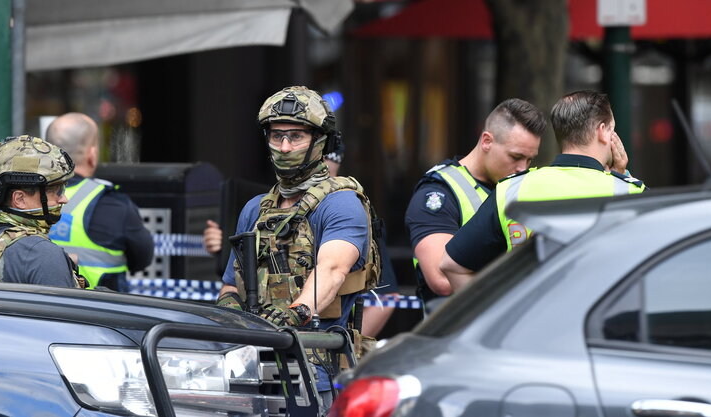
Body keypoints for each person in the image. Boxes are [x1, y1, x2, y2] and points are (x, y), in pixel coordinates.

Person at [214, 86, 379, 403]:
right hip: (250, 358)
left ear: (320, 142)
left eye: (296, 137)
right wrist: (231, 312)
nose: (285, 147)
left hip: (314, 365)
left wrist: (295, 314)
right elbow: (230, 285)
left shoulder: (341, 204)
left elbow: (331, 270)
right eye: (277, 137)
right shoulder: (256, 209)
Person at [440, 90, 646, 291]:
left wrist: (500, 317)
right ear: (602, 131)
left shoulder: (512, 189)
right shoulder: (629, 195)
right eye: (612, 129)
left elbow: (452, 266)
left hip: (530, 322)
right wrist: (622, 176)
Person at [204, 144, 399, 338]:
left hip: (319, 347)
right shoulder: (262, 208)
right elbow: (232, 285)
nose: (324, 164)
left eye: (329, 157)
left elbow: (386, 298)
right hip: (257, 342)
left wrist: (346, 346)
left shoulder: (345, 211)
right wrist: (232, 318)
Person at [405, 98, 546, 305]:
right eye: (515, 157)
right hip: (456, 328)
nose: (522, 169)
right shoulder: (438, 193)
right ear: (487, 141)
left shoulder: (517, 187)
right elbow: (442, 280)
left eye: (529, 160)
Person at [45, 112, 154, 291]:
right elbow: (142, 259)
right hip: (100, 313)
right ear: (92, 154)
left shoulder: (26, 197)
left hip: (39, 308)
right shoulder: (113, 203)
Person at [0, 135, 81, 287]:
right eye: (56, 191)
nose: (64, 199)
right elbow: (66, 310)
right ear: (19, 199)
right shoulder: (42, 254)